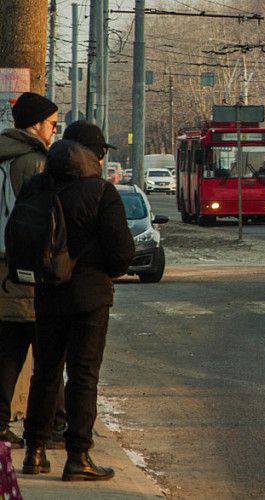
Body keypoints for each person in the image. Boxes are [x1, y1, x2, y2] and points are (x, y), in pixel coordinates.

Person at [21, 121, 134, 481]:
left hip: (46, 293)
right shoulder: (101, 192)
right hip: (89, 297)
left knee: (45, 372)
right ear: (93, 154)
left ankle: (35, 453)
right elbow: (122, 254)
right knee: (83, 376)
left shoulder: (36, 185)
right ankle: (78, 457)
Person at [0, 92, 67, 450]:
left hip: (3, 271)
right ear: (37, 124)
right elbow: (43, 223)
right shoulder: (35, 162)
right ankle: (53, 427)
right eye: (52, 125)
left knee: (7, 353)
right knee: (49, 354)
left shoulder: (3, 154)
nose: (53, 132)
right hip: (27, 271)